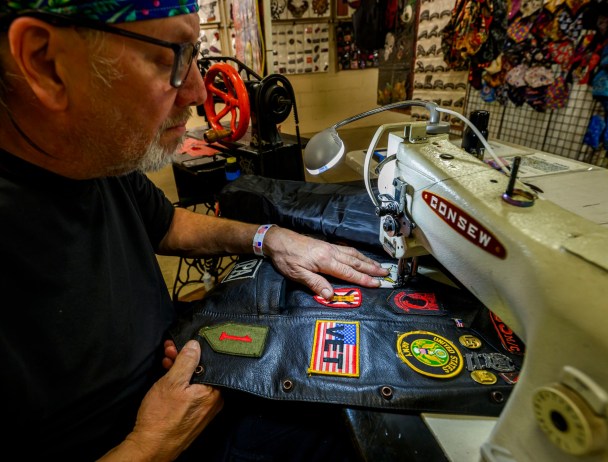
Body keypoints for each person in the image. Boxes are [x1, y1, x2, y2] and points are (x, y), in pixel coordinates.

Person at [0, 1, 388, 459]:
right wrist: (153, 442)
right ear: (46, 62)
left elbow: (168, 223)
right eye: (172, 58)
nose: (200, 94)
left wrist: (269, 238)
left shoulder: (96, 156)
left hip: (183, 392)